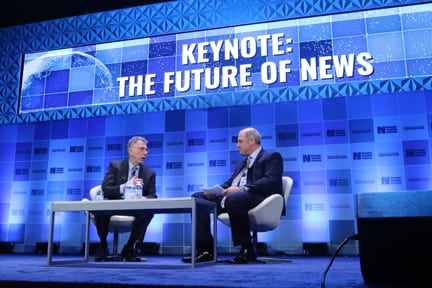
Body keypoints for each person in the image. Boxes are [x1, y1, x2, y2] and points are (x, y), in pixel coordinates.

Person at [181, 127, 283, 264]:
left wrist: (242, 189)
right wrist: (214, 191)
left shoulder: (271, 157)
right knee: (198, 198)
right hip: (237, 198)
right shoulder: (242, 162)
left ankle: (247, 250)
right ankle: (206, 250)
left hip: (259, 198)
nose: (237, 145)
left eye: (240, 141)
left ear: (251, 141)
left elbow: (271, 181)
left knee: (234, 199)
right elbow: (230, 183)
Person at [94, 136, 157, 262]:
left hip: (134, 208)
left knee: (149, 210)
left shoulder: (149, 173)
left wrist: (144, 198)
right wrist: (125, 186)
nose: (145, 153)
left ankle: (129, 246)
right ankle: (103, 244)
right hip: (115, 205)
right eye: (141, 149)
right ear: (130, 150)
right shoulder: (115, 166)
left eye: (146, 150)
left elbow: (152, 195)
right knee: (101, 207)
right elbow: (106, 188)